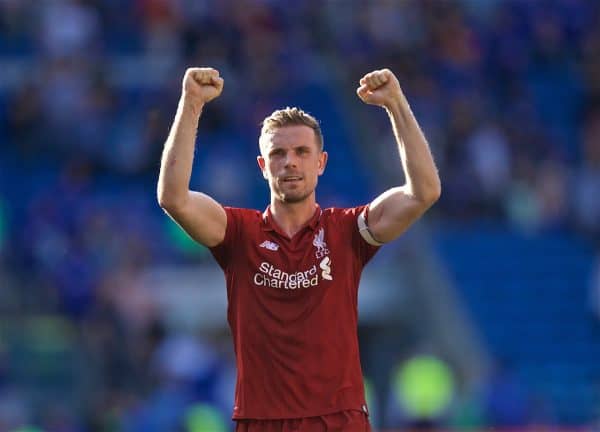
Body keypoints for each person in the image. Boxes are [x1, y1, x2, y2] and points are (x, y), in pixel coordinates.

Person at [157, 67, 441, 432]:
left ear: (320, 163)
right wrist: (192, 103)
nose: (290, 161)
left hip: (340, 422)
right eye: (278, 153)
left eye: (302, 151)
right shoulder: (239, 234)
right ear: (262, 166)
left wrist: (396, 105)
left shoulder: (347, 231)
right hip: (263, 422)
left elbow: (424, 192)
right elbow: (174, 198)